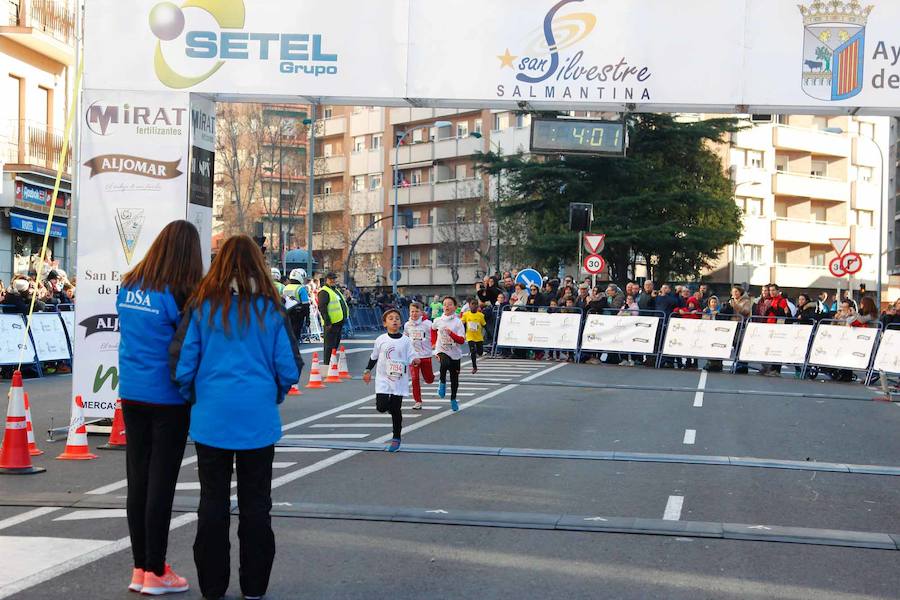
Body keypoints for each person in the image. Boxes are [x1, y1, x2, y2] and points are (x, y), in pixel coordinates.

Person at [171, 235, 302, 600]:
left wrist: (194, 397)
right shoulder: (272, 310)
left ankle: (213, 586)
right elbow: (289, 367)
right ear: (259, 265)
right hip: (258, 420)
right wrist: (273, 393)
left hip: (211, 418)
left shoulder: (202, 307)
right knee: (256, 504)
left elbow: (182, 364)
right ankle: (254, 586)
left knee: (212, 502)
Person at [117, 220, 203, 595]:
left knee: (137, 482)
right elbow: (188, 344)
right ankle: (155, 570)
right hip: (167, 397)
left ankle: (140, 568)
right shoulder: (181, 292)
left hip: (131, 394)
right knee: (160, 485)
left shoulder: (129, 285)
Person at [364, 308, 419, 452]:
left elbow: (412, 355)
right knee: (381, 407)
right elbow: (374, 356)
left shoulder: (406, 340)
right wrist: (367, 370)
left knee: (396, 409)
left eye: (397, 318)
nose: (394, 320)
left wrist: (415, 360)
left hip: (399, 379)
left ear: (400, 322)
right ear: (384, 324)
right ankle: (391, 410)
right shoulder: (381, 340)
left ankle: (396, 438)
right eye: (390, 318)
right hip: (383, 378)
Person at [432, 296, 466, 412]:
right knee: (444, 363)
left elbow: (461, 340)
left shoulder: (458, 322)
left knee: (454, 379)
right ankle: (442, 383)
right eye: (445, 304)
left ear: (455, 307)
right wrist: (433, 343)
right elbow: (432, 329)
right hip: (442, 349)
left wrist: (451, 334)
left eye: (450, 304)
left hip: (455, 353)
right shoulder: (438, 320)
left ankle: (453, 399)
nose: (447, 306)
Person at [404, 302, 434, 411]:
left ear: (421, 312)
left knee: (429, 379)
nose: (414, 313)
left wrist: (435, 346)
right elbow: (405, 338)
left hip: (426, 355)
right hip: (413, 356)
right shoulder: (407, 325)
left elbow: (435, 335)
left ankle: (430, 378)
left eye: (417, 311)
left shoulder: (428, 324)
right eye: (412, 311)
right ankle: (417, 401)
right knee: (415, 378)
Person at [317, 272, 349, 365]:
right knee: (329, 345)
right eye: (331, 279)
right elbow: (322, 308)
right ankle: (327, 364)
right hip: (331, 323)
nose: (333, 280)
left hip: (338, 322)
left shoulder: (335, 290)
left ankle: (332, 362)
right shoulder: (324, 291)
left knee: (335, 344)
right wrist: (328, 322)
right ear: (326, 279)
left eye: (334, 279)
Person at [461, 297, 486, 374]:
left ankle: (479, 352)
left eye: (475, 304)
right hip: (470, 336)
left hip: (479, 337)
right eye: (472, 304)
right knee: (473, 351)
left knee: (480, 352)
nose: (474, 306)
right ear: (469, 305)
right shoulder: (466, 314)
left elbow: (484, 325)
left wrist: (489, 333)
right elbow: (461, 324)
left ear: (477, 306)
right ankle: (474, 367)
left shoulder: (481, 315)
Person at [283, 269, 311, 339]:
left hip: (287, 314)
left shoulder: (285, 288)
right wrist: (307, 318)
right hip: (298, 315)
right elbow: (306, 305)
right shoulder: (301, 289)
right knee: (296, 335)